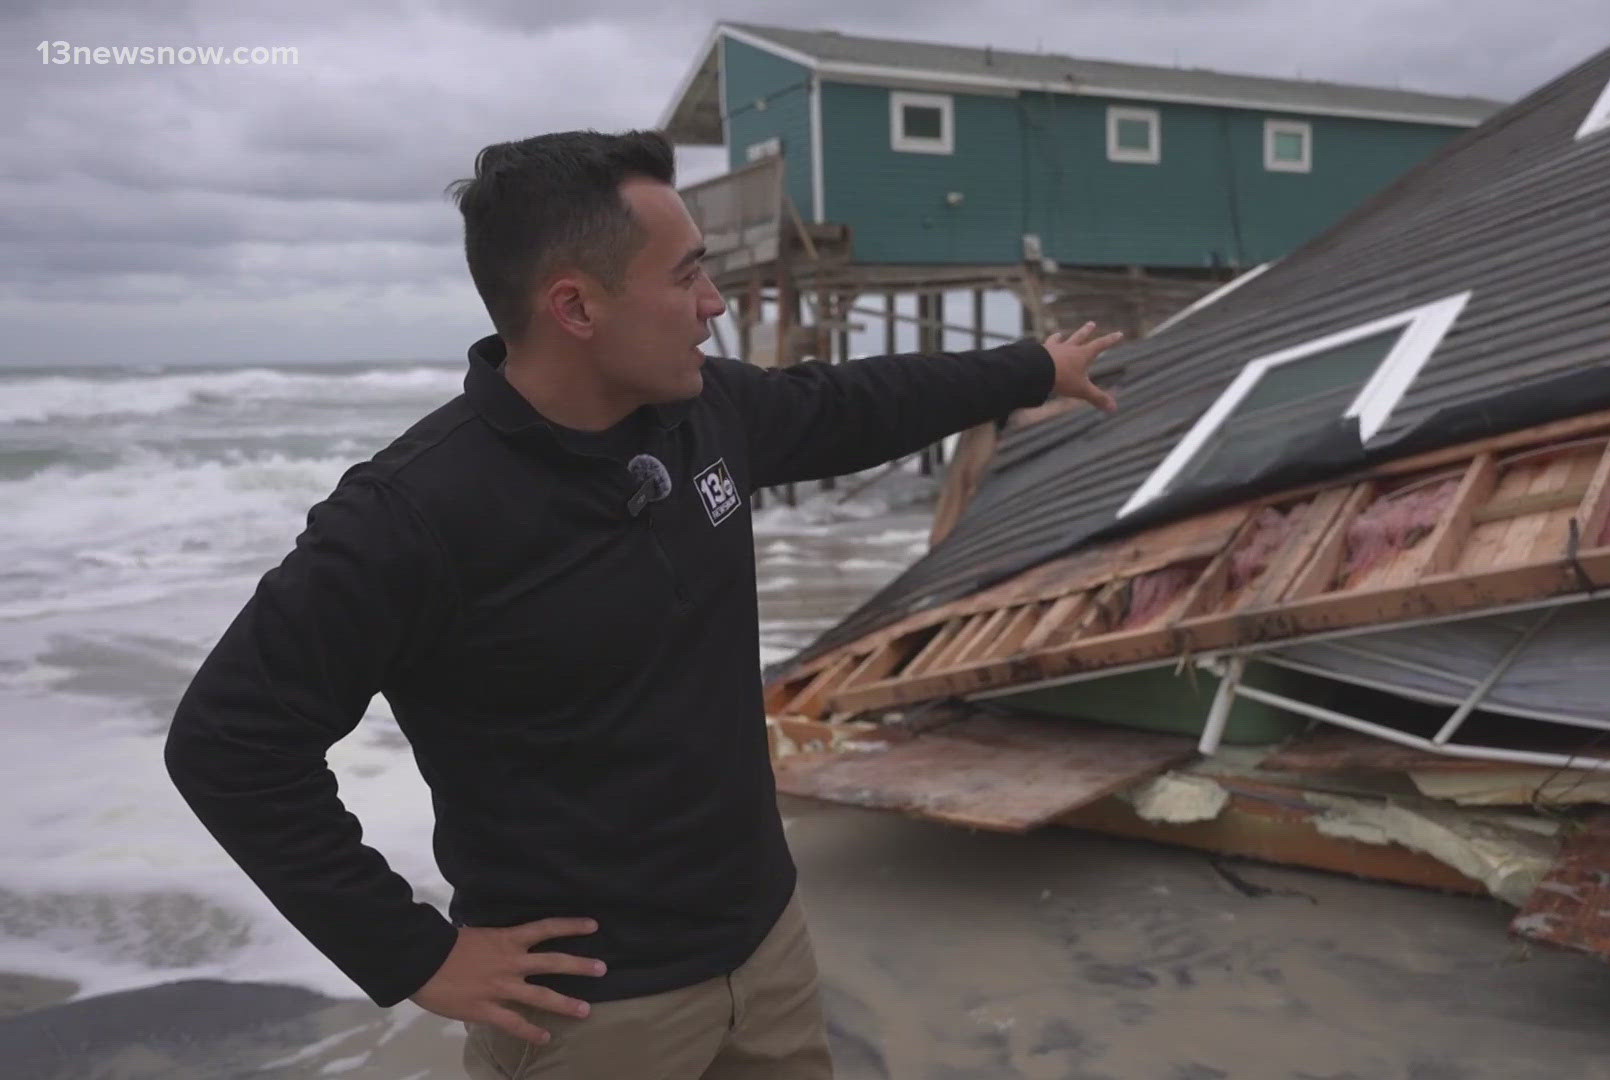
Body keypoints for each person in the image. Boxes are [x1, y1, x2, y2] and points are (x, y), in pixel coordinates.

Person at [163, 128, 1123, 1080]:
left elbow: (852, 402)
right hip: (589, 1012)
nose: (713, 307)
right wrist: (414, 953)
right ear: (575, 306)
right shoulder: (412, 515)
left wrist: (1032, 369)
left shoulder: (703, 415)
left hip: (767, 947)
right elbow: (229, 742)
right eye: (686, 278)